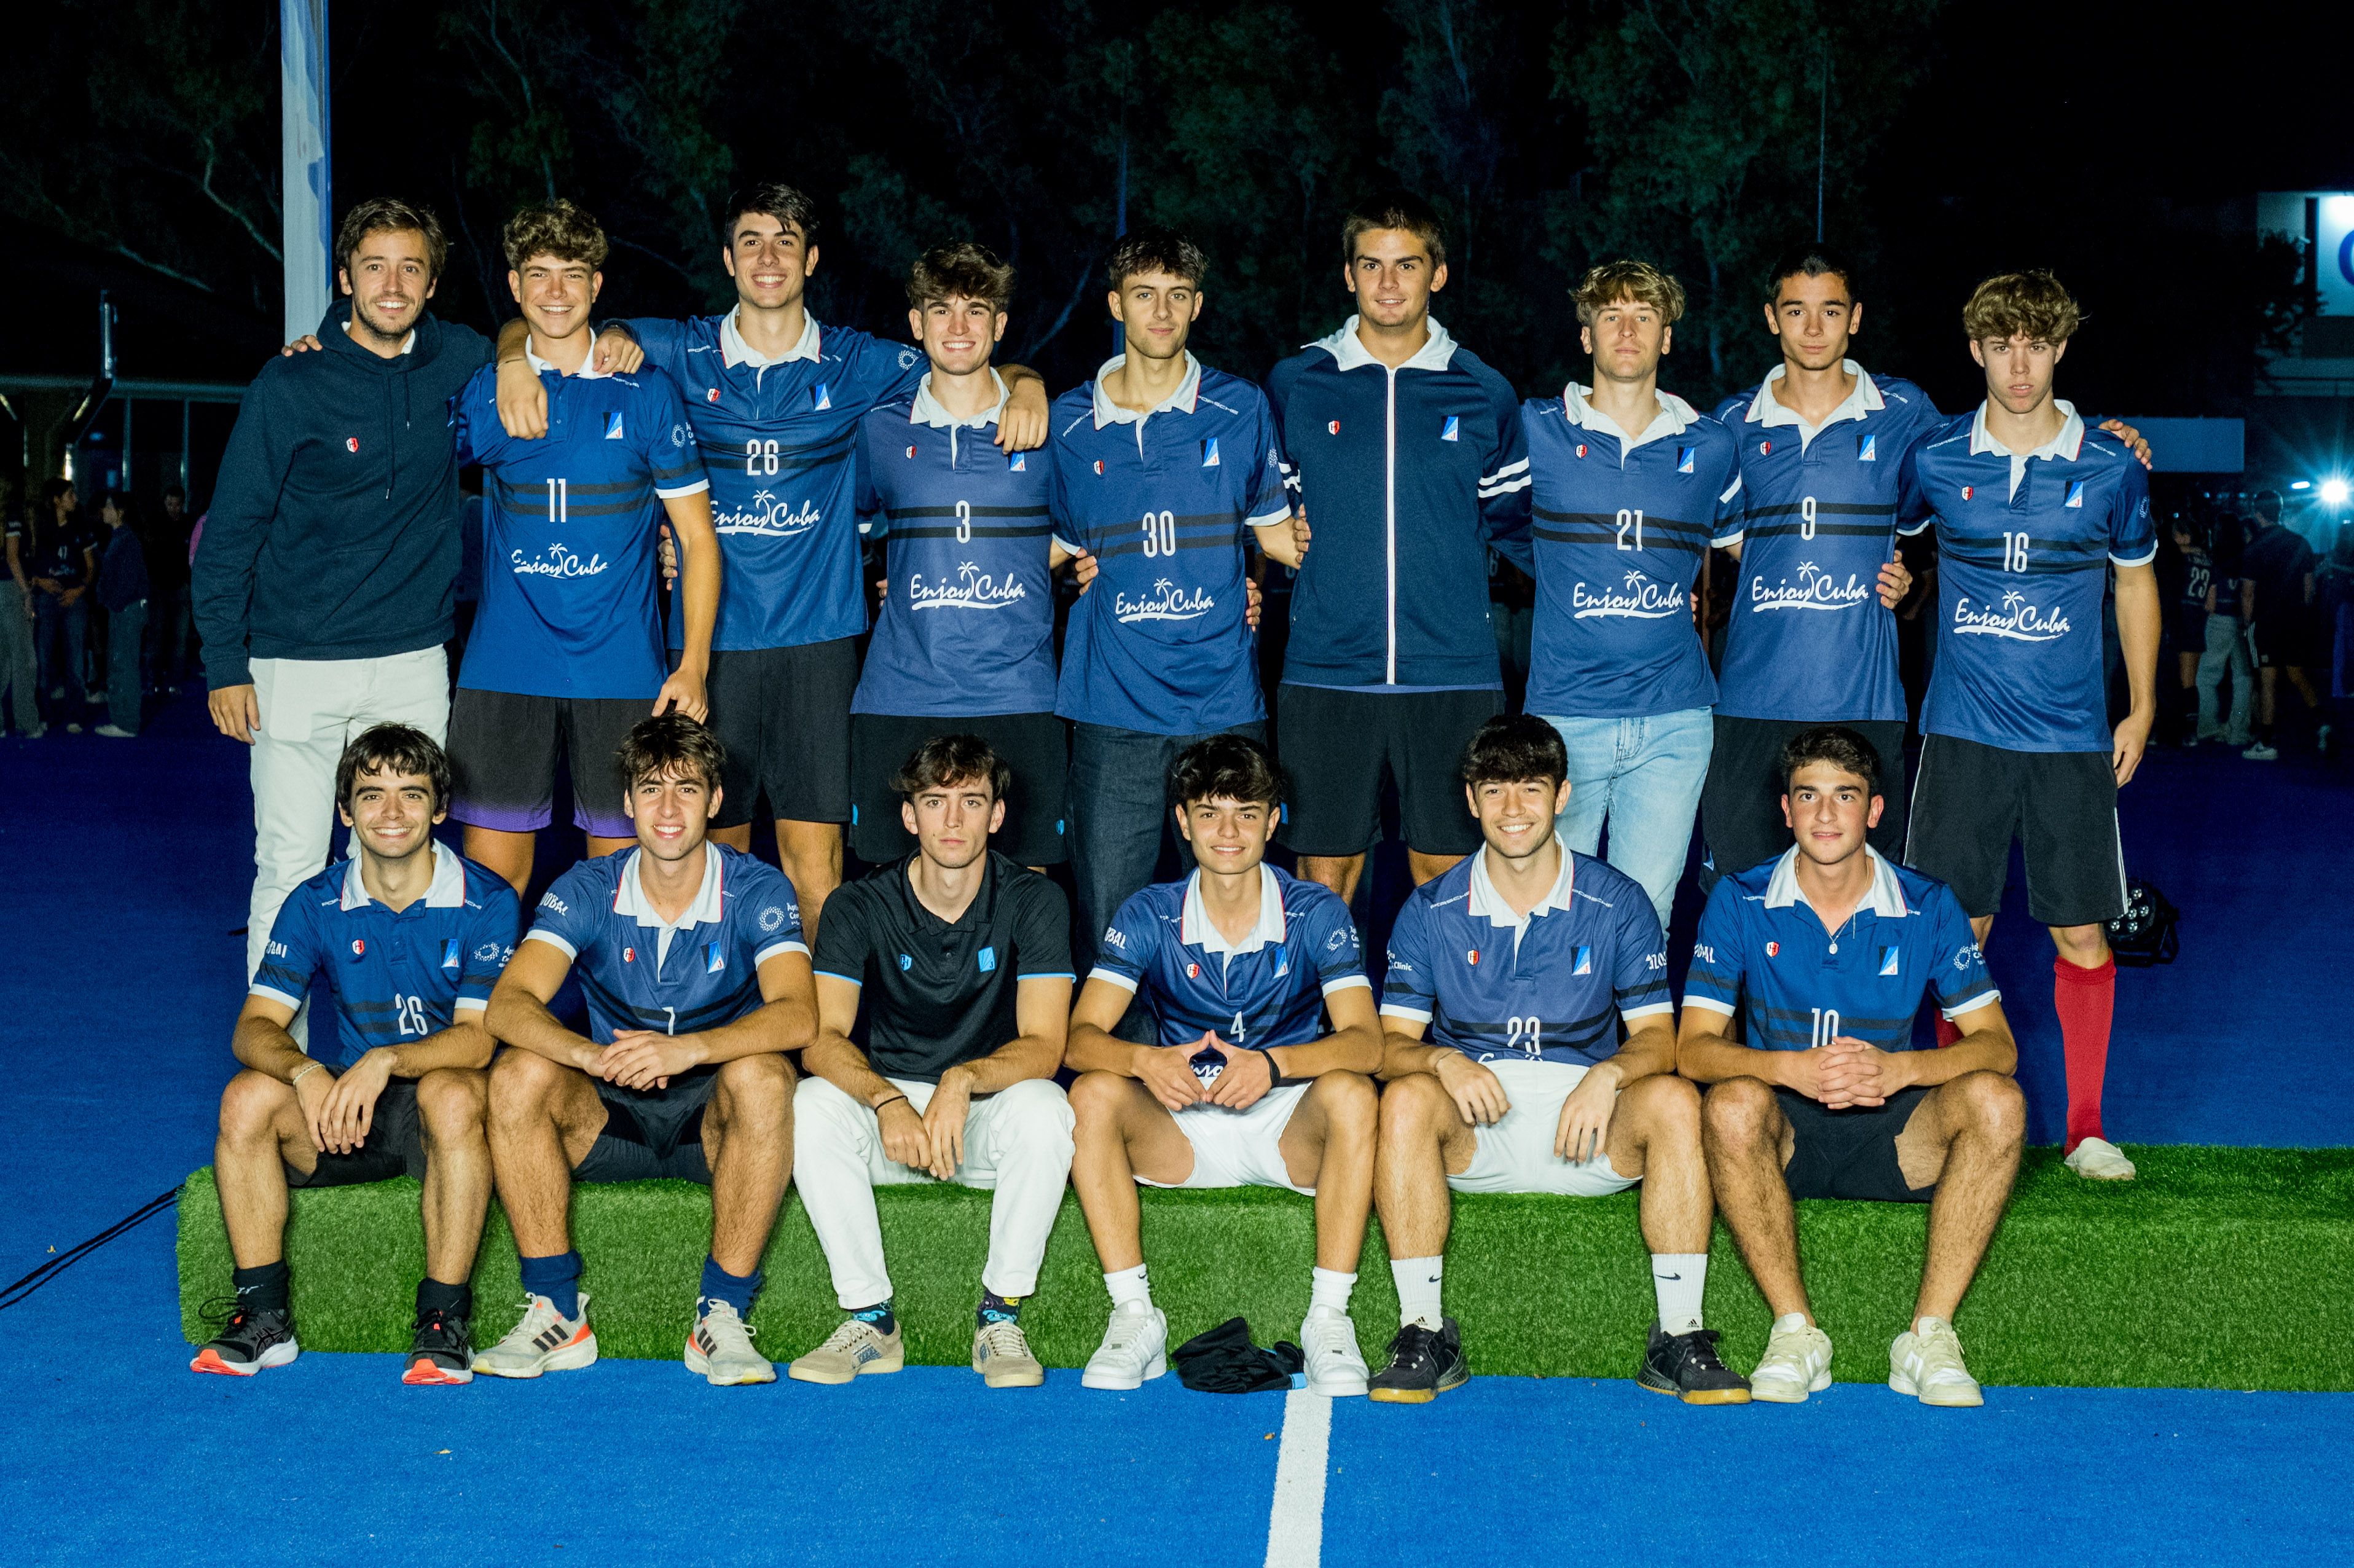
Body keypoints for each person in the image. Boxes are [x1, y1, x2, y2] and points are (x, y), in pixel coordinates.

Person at [195, 197, 638, 1040]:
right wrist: (225, 662)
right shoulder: (291, 380)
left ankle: (423, 1060)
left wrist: (513, 358)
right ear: (344, 278)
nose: (391, 285)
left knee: (414, 865)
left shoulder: (461, 360)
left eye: (410, 269)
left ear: (433, 283)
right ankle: (279, 1066)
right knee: (290, 867)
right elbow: (232, 535)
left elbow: (531, 333)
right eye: (374, 267)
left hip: (411, 662)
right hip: (295, 664)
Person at [574, 184, 1051, 935]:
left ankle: (817, 1033)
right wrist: (531, 353)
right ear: (729, 259)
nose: (770, 256)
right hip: (710, 647)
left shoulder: (860, 362)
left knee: (813, 867)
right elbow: (563, 330)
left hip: (818, 647)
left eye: (787, 240)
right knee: (714, 858)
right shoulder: (674, 348)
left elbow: (967, 362)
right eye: (753, 241)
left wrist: (1030, 383)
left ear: (813, 259)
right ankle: (723, 1023)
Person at [1702, 247, 2142, 883]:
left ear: (1856, 319)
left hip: (1866, 702)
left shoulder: (1906, 413)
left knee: (1859, 899)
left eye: (1831, 310)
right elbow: (1692, 521)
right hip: (1750, 697)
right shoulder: (1729, 424)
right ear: (1773, 319)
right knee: (1740, 894)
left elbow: (2007, 430)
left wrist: (2105, 436)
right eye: (1797, 311)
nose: (1814, 328)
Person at [1369, 714, 1746, 1405]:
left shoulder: (1618, 901)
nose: (1513, 809)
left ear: (1563, 795)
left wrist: (1609, 1074)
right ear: (1470, 797)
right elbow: (1388, 1046)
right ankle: (1422, 1331)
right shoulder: (1430, 908)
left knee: (1671, 1099)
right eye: (1496, 789)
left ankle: (1680, 1335)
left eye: (1531, 788)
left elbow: (1661, 1039)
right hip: (1476, 1125)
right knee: (1405, 1097)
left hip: (1589, 1125)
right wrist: (1444, 1063)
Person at [1899, 270, 2157, 1182]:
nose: (2018, 364)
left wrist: (2142, 704)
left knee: (2080, 934)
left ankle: (2084, 1127)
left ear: (2058, 349)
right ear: (1974, 350)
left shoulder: (2109, 464)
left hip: (2068, 740)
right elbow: (1895, 551)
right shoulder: (1933, 457)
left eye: (2035, 344)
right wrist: (1903, 582)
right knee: (1952, 935)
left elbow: (2133, 580)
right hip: (1961, 734)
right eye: (2000, 344)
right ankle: (1950, 1111)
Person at [1681, 725, 2022, 1408]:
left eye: (1846, 796)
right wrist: (1790, 1068)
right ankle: (1795, 1332)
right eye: (1809, 795)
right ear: (1786, 809)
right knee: (1730, 1103)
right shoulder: (1740, 899)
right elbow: (1692, 1048)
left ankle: (1927, 1336)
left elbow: (1997, 1045)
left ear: (1875, 810)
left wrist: (1901, 1070)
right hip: (1786, 1133)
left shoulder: (1927, 903)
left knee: (1997, 1100)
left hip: (1896, 1135)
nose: (1826, 814)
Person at [481, 713, 816, 1386]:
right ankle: (557, 1310)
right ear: (626, 802)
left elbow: (799, 1015)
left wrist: (689, 1048)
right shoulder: (587, 888)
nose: (668, 808)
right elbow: (507, 1004)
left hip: (714, 1122)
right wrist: (585, 1056)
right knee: (518, 1072)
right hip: (609, 1111)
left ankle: (721, 1314)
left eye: (687, 789)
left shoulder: (757, 888)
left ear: (716, 801)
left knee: (762, 1076)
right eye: (651, 789)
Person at [193, 725, 519, 1383]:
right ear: (346, 811)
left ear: (440, 807)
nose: (391, 813)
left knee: (450, 1090)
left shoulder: (488, 900)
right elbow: (254, 1026)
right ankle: (263, 1317)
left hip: (442, 1111)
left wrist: (385, 1060)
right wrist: (306, 1069)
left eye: (410, 794)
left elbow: (479, 1038)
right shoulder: (315, 901)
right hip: (352, 1117)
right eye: (372, 796)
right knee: (247, 1094)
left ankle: (442, 1320)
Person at [1064, 734, 1381, 1395]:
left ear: (1274, 819)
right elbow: (1079, 1038)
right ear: (1182, 821)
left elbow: (1367, 1043)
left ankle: (1329, 1318)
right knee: (1093, 1092)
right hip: (1181, 1126)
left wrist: (1274, 1063)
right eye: (1209, 812)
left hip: (1287, 1124)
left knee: (1352, 1093)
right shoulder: (1149, 912)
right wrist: (1143, 1059)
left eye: (1246, 811)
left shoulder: (1315, 909)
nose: (1227, 830)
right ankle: (1133, 1315)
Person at [444, 199, 721, 895]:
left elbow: (696, 538)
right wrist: (510, 355)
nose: (557, 292)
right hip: (506, 665)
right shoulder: (488, 394)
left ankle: (619, 1011)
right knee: (491, 882)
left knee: (623, 879)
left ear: (598, 285)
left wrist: (691, 664)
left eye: (573, 274)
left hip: (621, 671)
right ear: (515, 286)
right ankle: (485, 1009)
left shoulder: (648, 393)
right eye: (539, 275)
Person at [1263, 191, 1531, 905]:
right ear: (1348, 275)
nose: (1388, 283)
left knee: (1446, 876)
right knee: (1323, 877)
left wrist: (1630, 577)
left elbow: (1521, 526)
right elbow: (1253, 509)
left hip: (1452, 670)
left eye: (1406, 265)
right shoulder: (1297, 384)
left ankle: (1436, 1021)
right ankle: (1334, 1020)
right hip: (1326, 668)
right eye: (1371, 265)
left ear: (1436, 274)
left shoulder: (1483, 391)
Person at [789, 735, 1077, 1390]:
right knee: (809, 1102)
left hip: (980, 1118)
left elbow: (1045, 1045)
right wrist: (886, 1098)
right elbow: (820, 1036)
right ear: (909, 816)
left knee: (1048, 1109)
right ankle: (872, 1320)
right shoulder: (859, 903)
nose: (954, 820)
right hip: (892, 1124)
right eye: (935, 801)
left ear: (997, 815)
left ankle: (998, 1318)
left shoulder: (1035, 900)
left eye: (971, 801)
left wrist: (964, 1077)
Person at [1052, 227, 1298, 965]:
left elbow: (1283, 537)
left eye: (1178, 296)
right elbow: (1046, 548)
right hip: (1111, 709)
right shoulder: (1066, 420)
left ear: (1197, 306)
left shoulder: (1241, 407)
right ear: (1115, 305)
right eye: (1144, 295)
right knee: (1110, 922)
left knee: (1230, 914)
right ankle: (1120, 1074)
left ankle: (1231, 1068)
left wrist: (1256, 578)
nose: (1161, 312)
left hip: (1222, 706)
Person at [1517, 259, 1741, 932]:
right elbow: (1483, 519)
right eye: (1609, 315)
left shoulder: (1709, 446)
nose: (1626, 330)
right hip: (1565, 715)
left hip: (1673, 720)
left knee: (1647, 920)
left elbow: (1749, 549)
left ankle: (1634, 1043)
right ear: (1585, 336)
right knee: (1551, 912)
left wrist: (1889, 574)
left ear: (1666, 337)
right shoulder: (1537, 430)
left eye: (1644, 316)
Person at [847, 243, 1077, 871]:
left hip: (1021, 691)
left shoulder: (1049, 428)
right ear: (915, 323)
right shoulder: (880, 430)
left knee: (1025, 892)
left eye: (975, 311)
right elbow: (841, 527)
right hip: (902, 693)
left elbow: (1103, 526)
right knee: (892, 893)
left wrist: (1044, 563)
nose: (957, 327)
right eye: (940, 310)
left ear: (1000, 326)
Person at [2239, 489, 2326, 760]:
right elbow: (2309, 589)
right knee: (2298, 674)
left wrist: (2247, 624)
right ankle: (2323, 724)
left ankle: (2267, 741)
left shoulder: (2254, 547)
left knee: (2268, 680)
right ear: (2280, 511)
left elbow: (2248, 593)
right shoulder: (2300, 543)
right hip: (2296, 620)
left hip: (2267, 621)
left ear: (2257, 513)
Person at [29, 479, 95, 732]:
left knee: (75, 660)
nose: (74, 499)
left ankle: (75, 715)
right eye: (70, 494)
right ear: (56, 499)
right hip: (46, 599)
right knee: (43, 659)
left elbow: (91, 568)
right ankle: (44, 714)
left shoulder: (81, 527)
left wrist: (79, 590)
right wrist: (41, 582)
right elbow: (29, 565)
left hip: (74, 599)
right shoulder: (40, 528)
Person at [2195, 508, 2255, 747]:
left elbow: (2209, 600)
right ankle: (2238, 731)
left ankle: (2208, 725)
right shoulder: (2247, 556)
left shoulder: (2214, 557)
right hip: (2241, 620)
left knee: (2206, 678)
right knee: (2243, 679)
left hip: (2218, 618)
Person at [93, 492, 149, 737]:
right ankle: (124, 719)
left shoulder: (125, 540)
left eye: (108, 506)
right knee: (123, 662)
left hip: (126, 609)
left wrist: (110, 602)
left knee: (124, 663)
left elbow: (125, 581)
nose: (104, 511)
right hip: (126, 608)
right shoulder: (123, 538)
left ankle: (126, 722)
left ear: (120, 511)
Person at [2, 480, 45, 737]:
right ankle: (28, 721)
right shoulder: (13, 518)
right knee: (25, 659)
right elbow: (12, 557)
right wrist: (26, 591)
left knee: (3, 657)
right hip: (10, 589)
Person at [2164, 512, 2211, 745]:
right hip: (2197, 622)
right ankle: (2191, 732)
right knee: (2190, 682)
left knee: (2174, 680)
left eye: (2176, 535)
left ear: (2184, 536)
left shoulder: (2178, 557)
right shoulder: (2207, 559)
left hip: (2180, 619)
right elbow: (2210, 603)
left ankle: (2177, 731)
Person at [144, 483, 195, 694]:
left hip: (180, 588)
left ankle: (174, 681)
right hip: (159, 587)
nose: (173, 508)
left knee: (179, 637)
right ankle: (154, 680)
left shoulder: (188, 525)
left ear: (183, 505)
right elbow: (149, 554)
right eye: (170, 504)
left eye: (177, 504)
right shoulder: (156, 524)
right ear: (164, 504)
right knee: (156, 636)